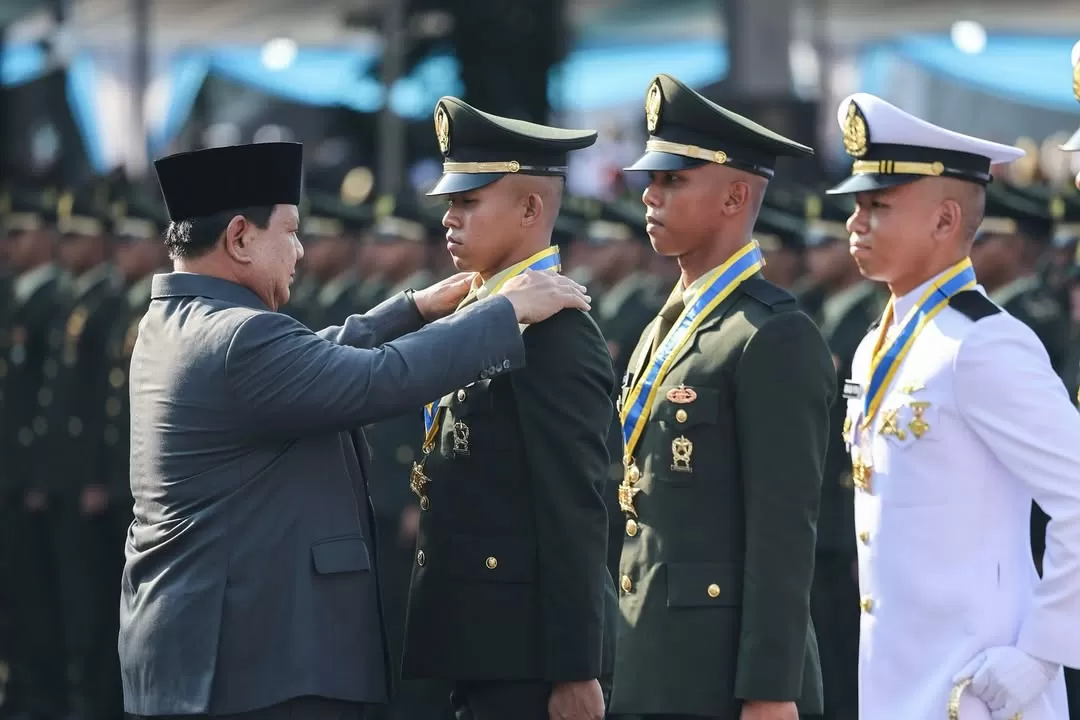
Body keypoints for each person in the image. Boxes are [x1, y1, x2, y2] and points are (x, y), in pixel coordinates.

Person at [119, 141, 591, 720]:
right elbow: (373, 379)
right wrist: (503, 311)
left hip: (203, 653)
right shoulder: (239, 337)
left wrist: (412, 309)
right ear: (240, 237)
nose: (300, 251)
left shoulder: (177, 323)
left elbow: (314, 363)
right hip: (254, 666)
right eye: (290, 232)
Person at [827, 92, 1080, 720]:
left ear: (945, 220)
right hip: (900, 684)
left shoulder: (984, 343)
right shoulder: (874, 344)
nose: (855, 223)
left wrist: (1040, 652)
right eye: (856, 205)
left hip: (979, 691)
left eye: (878, 206)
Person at [608, 73, 834, 720]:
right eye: (651, 178)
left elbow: (782, 531)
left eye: (673, 180)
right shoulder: (666, 324)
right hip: (651, 658)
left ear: (736, 195)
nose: (649, 194)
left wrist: (771, 690)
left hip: (723, 678)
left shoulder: (771, 333)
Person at [399, 96, 615, 720]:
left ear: (529, 209)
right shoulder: (481, 315)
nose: (449, 217)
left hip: (528, 656)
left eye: (469, 201)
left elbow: (574, 506)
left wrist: (574, 668)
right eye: (450, 202)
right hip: (480, 638)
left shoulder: (555, 332)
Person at [800, 193, 884, 720]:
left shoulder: (869, 321)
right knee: (828, 662)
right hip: (819, 521)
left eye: (822, 242)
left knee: (849, 667)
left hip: (847, 520)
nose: (812, 254)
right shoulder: (812, 311)